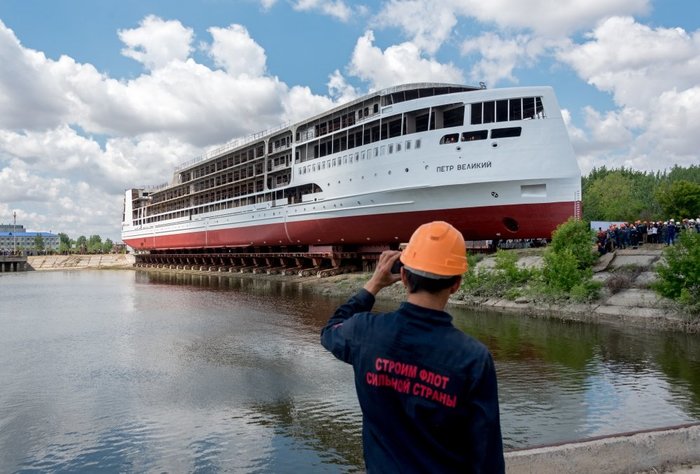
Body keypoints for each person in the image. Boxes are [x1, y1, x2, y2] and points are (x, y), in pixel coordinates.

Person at [320, 221, 505, 473]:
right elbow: (487, 457)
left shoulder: (364, 332)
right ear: (456, 284)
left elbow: (330, 330)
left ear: (404, 277)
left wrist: (373, 284)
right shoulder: (473, 358)